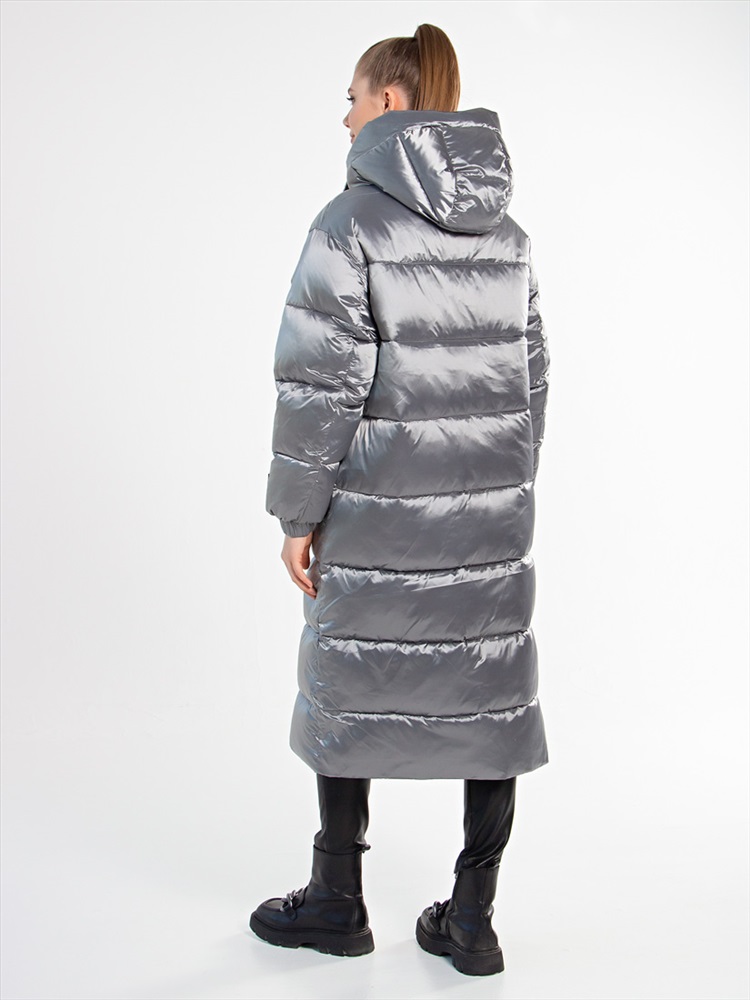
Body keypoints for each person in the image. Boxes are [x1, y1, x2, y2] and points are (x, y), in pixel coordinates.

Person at [250, 23, 551, 978]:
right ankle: (472, 918)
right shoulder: (507, 236)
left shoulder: (349, 227)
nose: (344, 119)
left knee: (348, 680)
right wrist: (500, 482)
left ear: (388, 100)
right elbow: (534, 379)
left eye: (350, 98)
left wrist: (298, 515)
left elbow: (318, 386)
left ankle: (336, 898)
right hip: (489, 517)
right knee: (490, 693)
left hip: (372, 512)